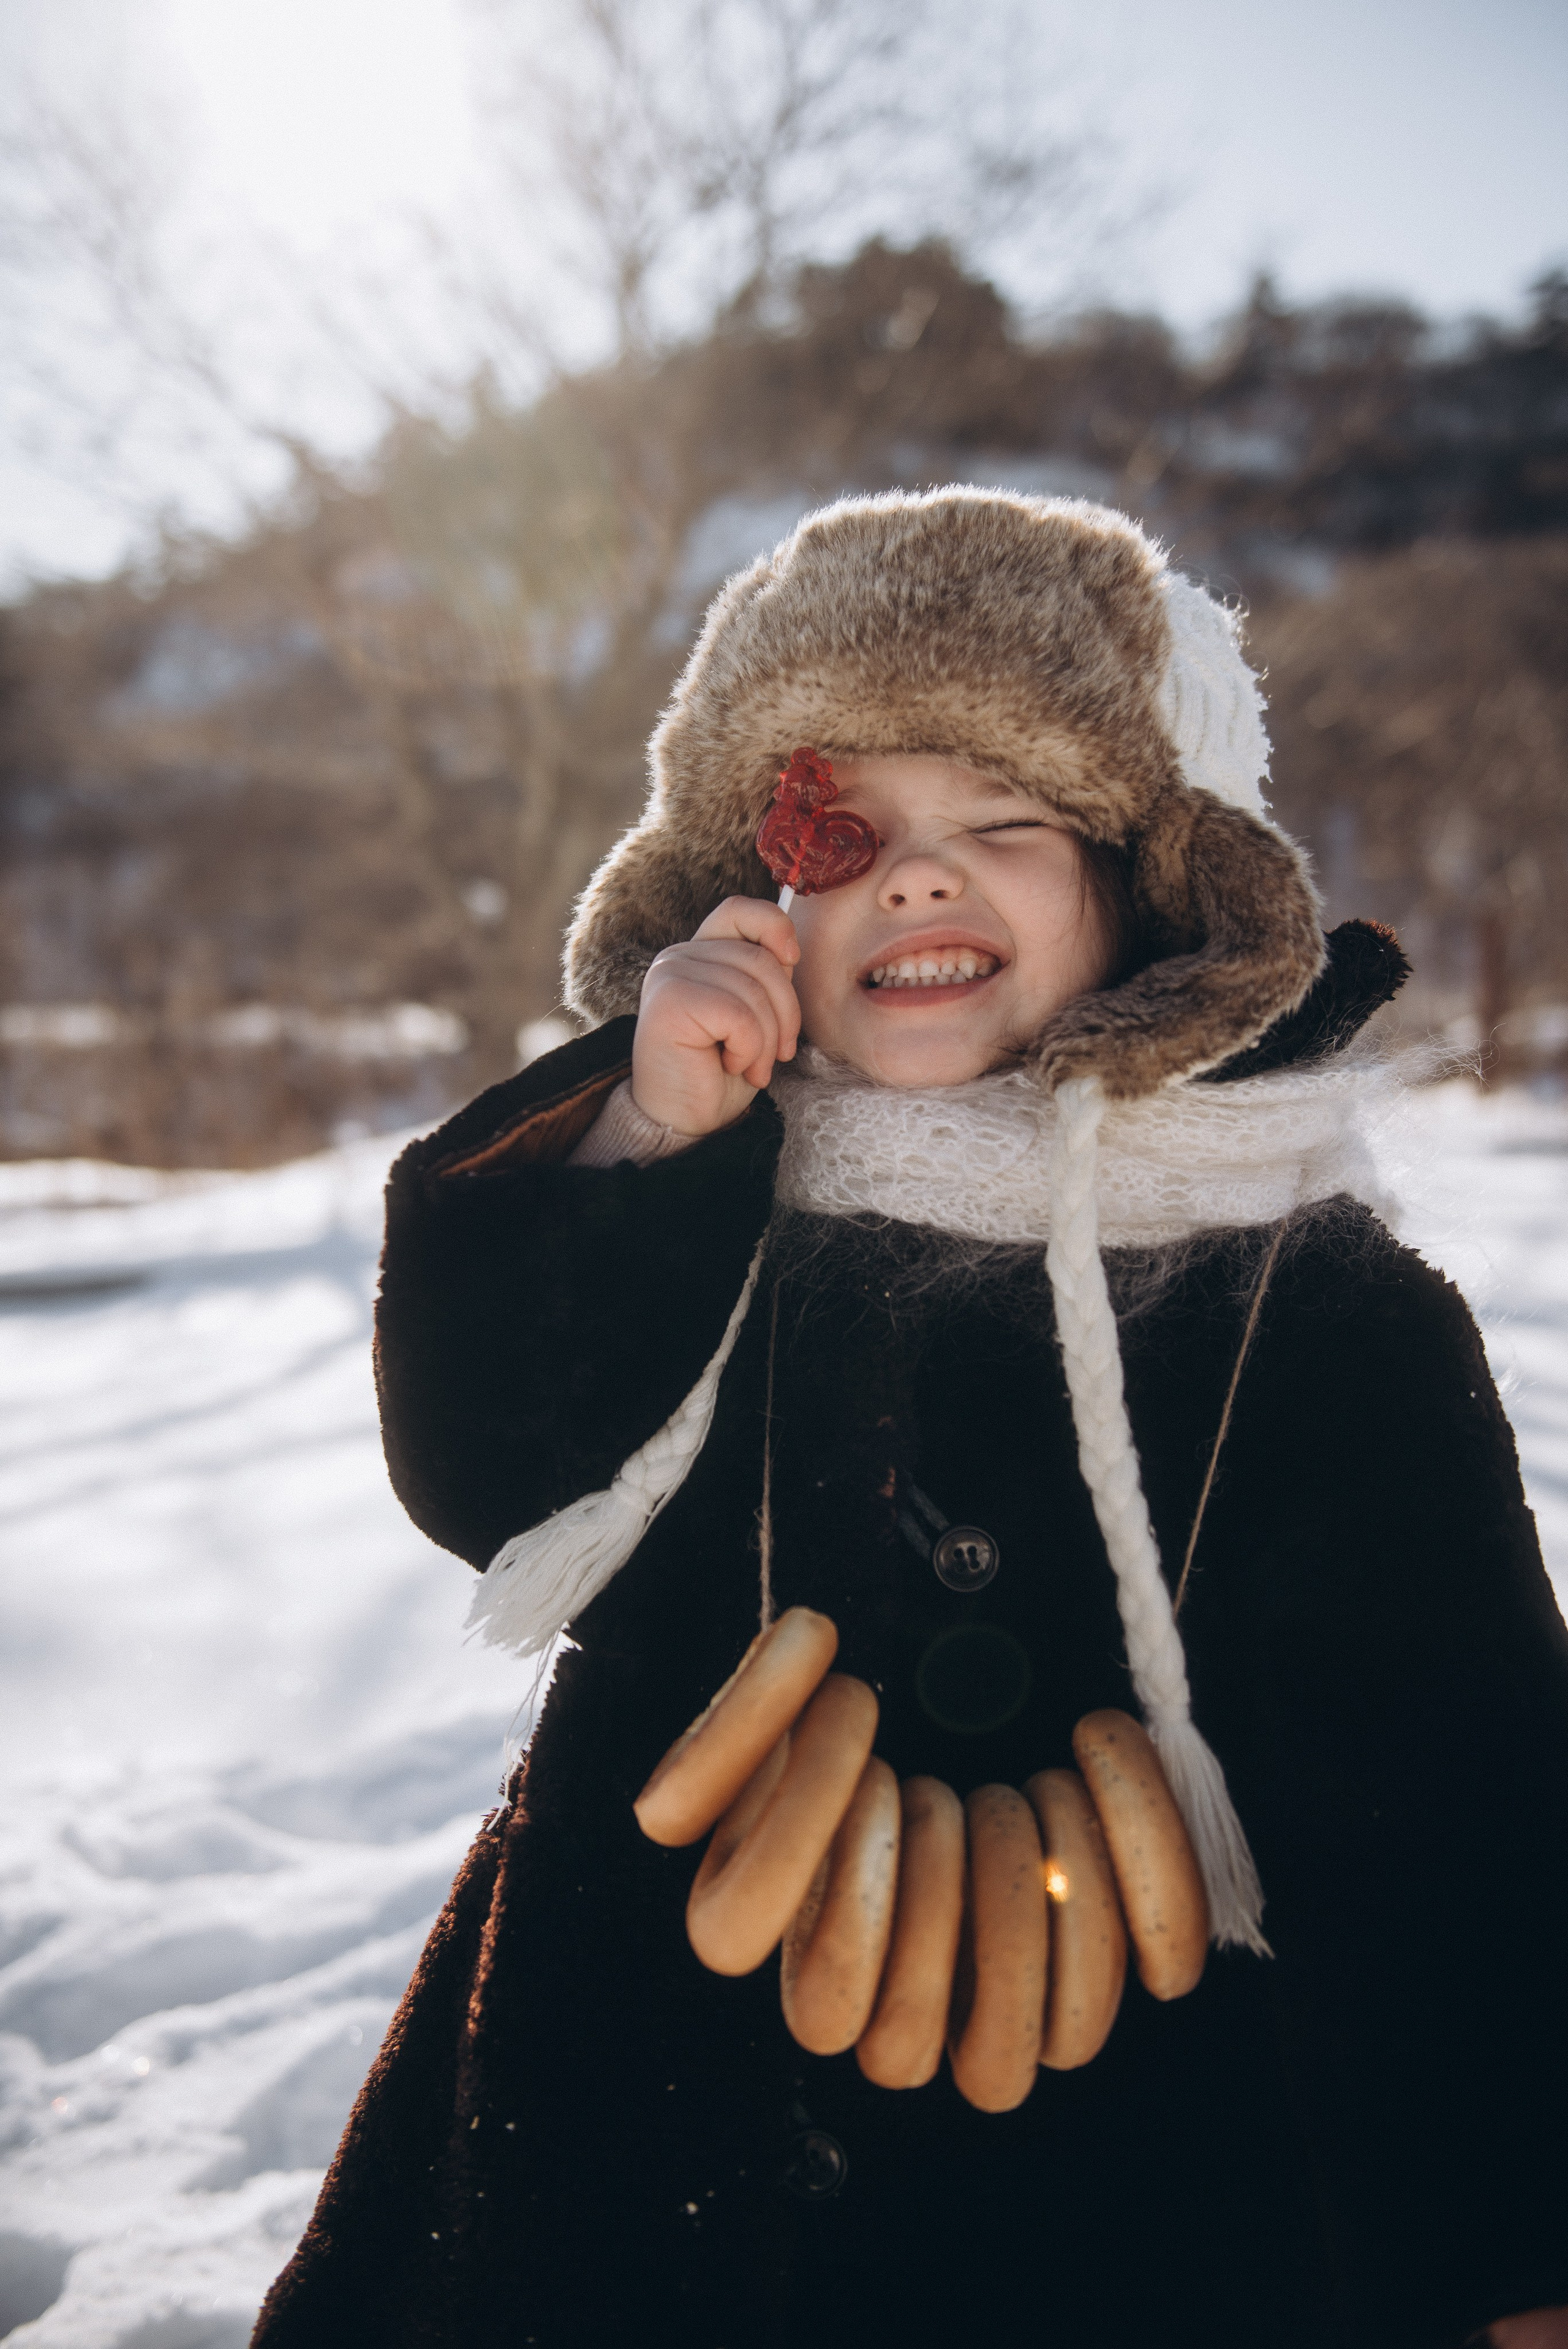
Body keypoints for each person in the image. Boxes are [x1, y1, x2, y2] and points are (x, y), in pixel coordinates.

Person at [254, 492, 1568, 2349]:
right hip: (638, 2142)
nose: (918, 882)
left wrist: (1518, 2243)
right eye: (845, 833)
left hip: (1176, 2199)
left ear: (1148, 888)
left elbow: (1469, 1802)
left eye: (1005, 824)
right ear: (752, 894)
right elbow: (490, 1480)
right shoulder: (713, 1199)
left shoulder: (1316, 1302)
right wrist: (638, 1146)